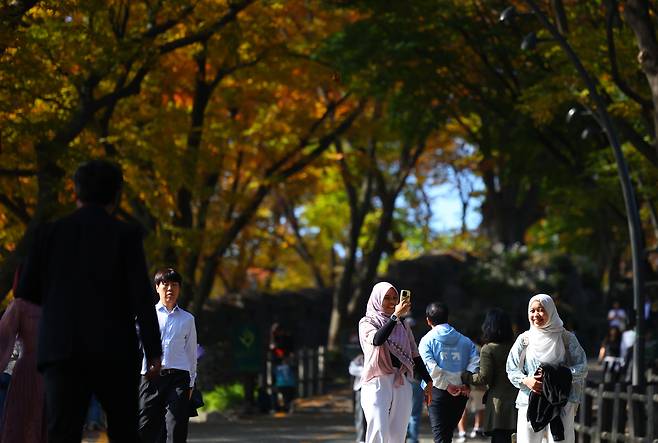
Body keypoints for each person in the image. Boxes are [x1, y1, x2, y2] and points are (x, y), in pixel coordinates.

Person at [15, 159, 163, 443]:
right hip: (114, 348)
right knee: (123, 430)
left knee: (62, 431)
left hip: (62, 347)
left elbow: (26, 290)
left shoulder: (48, 233)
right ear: (116, 194)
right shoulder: (126, 234)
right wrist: (153, 350)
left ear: (75, 192)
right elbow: (142, 297)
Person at [506, 294, 588, 443]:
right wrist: (527, 380)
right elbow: (511, 369)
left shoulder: (566, 338)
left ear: (551, 311)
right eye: (532, 310)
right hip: (530, 399)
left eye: (541, 310)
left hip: (561, 401)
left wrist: (559, 377)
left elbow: (582, 367)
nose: (535, 315)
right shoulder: (524, 339)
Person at [358, 282, 433, 443]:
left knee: (398, 433)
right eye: (387, 298)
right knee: (378, 428)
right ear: (377, 299)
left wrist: (428, 381)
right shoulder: (367, 322)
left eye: (395, 298)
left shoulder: (403, 324)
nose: (392, 301)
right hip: (377, 380)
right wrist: (395, 317)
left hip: (400, 380)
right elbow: (377, 340)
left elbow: (414, 354)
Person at [138, 268, 197, 443]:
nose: (170, 289)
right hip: (150, 377)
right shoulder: (146, 316)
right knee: (144, 427)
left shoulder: (188, 319)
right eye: (165, 285)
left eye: (174, 285)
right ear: (157, 288)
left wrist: (192, 382)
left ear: (179, 289)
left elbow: (191, 352)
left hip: (178, 378)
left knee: (176, 427)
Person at [419, 302, 479, 443]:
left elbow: (430, 367)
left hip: (436, 391)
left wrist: (447, 386)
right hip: (461, 391)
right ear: (448, 318)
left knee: (440, 436)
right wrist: (465, 382)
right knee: (447, 435)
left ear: (428, 320)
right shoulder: (465, 340)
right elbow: (475, 361)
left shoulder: (426, 340)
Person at [462, 308, 517, 443]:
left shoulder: (488, 349)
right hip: (517, 401)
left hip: (498, 404)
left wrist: (464, 376)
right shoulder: (516, 346)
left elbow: (484, 377)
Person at [0, 298, 46, 443]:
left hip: (26, 374)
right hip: (54, 376)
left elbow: (3, 343)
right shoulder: (62, 302)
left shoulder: (20, 305)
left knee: (22, 426)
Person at [348, 353, 366, 443]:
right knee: (360, 415)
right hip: (361, 388)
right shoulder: (360, 358)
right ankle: (361, 439)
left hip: (377, 389)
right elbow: (352, 369)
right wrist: (366, 371)